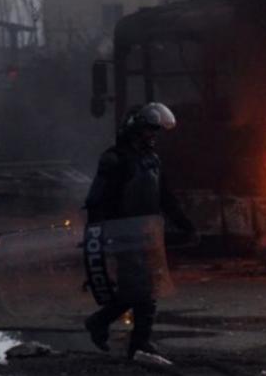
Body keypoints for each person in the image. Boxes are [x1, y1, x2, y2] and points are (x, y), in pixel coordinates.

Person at [83, 102, 197, 362]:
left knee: (149, 288)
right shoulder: (115, 159)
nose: (152, 136)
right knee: (139, 289)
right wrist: (97, 237)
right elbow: (96, 200)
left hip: (146, 234)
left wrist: (185, 224)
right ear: (134, 130)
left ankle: (135, 341)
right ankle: (111, 328)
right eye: (148, 131)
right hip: (122, 234)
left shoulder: (151, 160)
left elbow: (165, 198)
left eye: (154, 132)